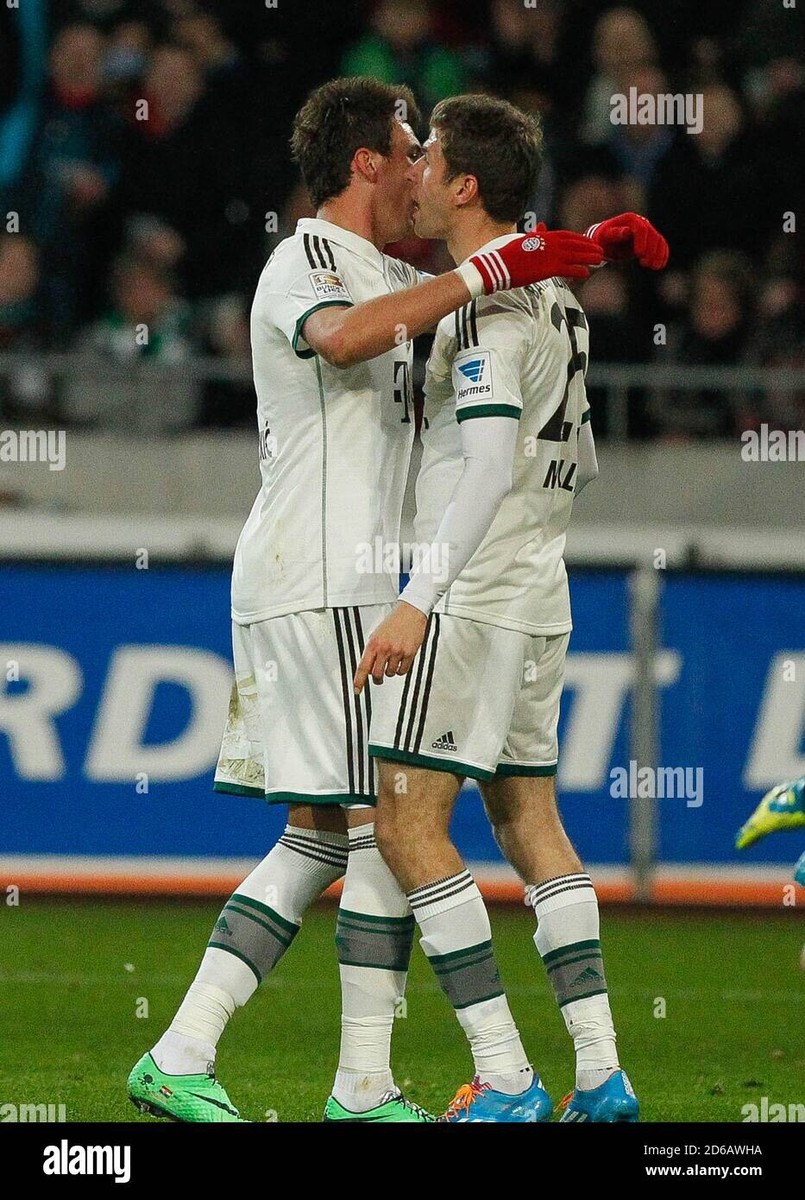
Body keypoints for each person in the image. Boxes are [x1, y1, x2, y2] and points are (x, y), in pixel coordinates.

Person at [127, 75, 603, 1124]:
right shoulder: (304, 258)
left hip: (358, 576)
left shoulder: (399, 270)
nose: (423, 168)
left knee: (329, 833)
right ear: (366, 163)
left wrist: (508, 269)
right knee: (387, 820)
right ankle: (375, 1085)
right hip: (321, 572)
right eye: (409, 148)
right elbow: (343, 339)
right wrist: (489, 265)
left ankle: (198, 1055)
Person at [354, 93, 667, 1122]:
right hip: (543, 587)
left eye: (429, 155)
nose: (417, 169)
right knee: (530, 819)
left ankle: (503, 1078)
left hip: (474, 592)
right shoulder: (556, 294)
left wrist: (415, 601)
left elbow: (485, 466)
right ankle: (603, 1074)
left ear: (464, 184)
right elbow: (565, 452)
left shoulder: (489, 305)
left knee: (405, 824)